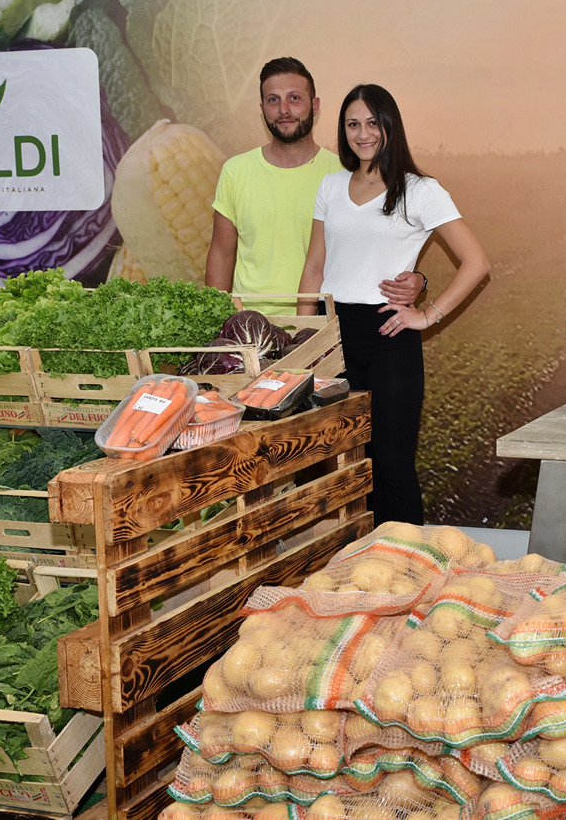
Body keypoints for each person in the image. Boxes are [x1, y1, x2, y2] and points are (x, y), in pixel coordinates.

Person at [297, 84, 490, 525]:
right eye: (352, 124)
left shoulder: (421, 190)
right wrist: (303, 340)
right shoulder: (330, 186)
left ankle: (406, 560)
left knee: (392, 462)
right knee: (340, 464)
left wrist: (427, 314)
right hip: (331, 337)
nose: (362, 133)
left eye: (372, 123)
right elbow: (314, 266)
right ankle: (352, 558)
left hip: (388, 336)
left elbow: (476, 262)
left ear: (390, 126)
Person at [205, 57, 422, 315]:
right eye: (273, 100)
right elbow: (222, 254)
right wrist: (218, 321)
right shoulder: (235, 171)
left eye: (294, 98)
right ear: (262, 108)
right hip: (249, 327)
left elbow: (381, 243)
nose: (284, 110)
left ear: (315, 105)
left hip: (324, 326)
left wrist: (420, 279)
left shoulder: (346, 173)